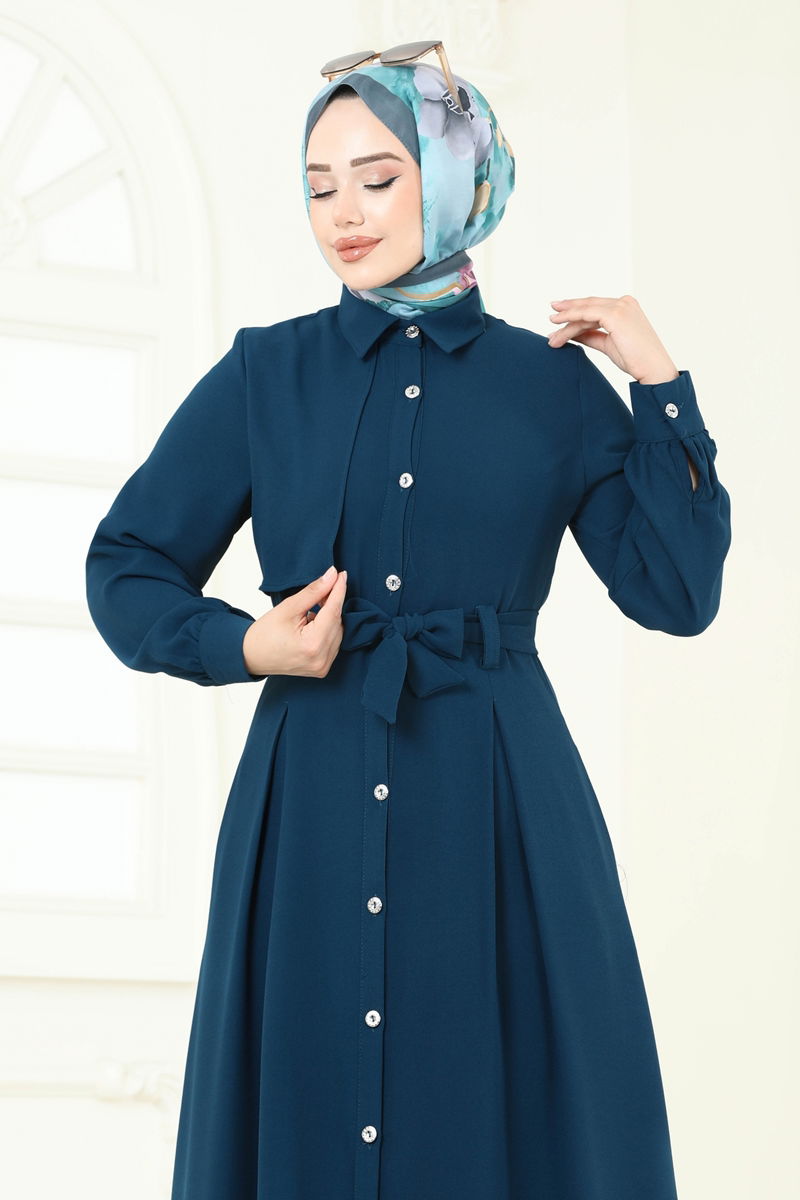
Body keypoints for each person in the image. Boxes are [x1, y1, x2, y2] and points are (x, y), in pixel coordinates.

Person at [85, 48, 732, 1200]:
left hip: (501, 801)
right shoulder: (267, 373)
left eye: (377, 179)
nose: (343, 213)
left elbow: (673, 595)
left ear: (454, 180)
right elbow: (126, 563)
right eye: (318, 186)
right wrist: (245, 645)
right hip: (309, 792)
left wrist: (657, 384)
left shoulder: (549, 384)